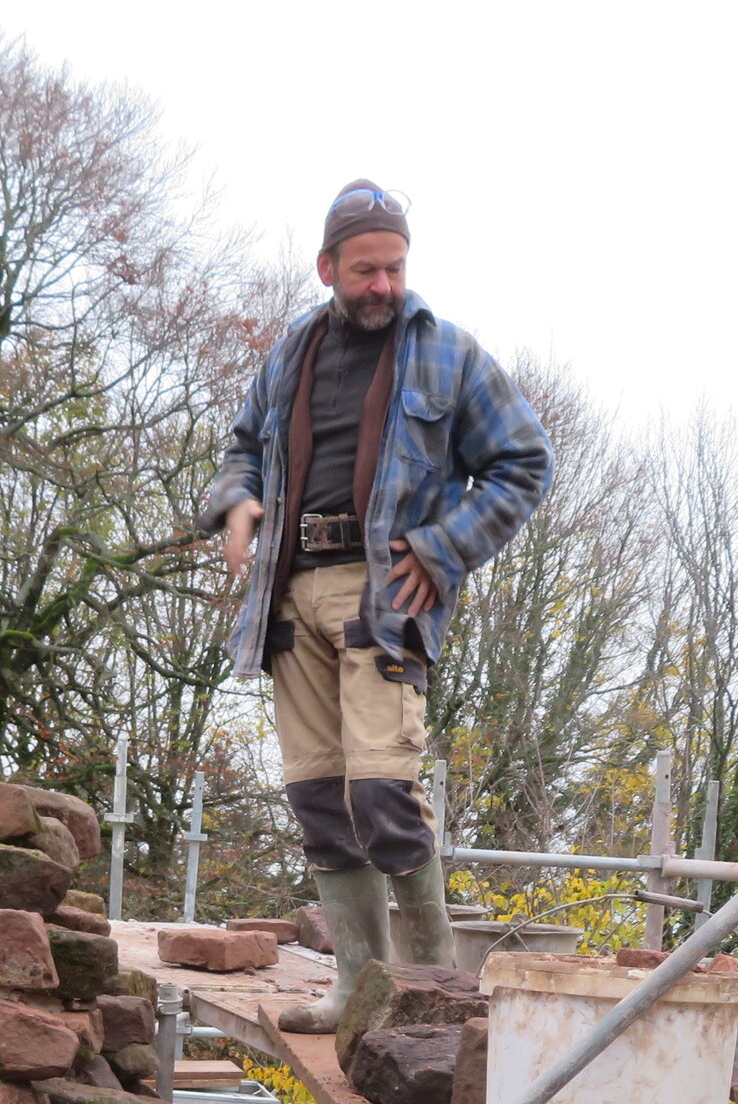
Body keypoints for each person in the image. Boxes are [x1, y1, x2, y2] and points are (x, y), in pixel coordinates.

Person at [203, 180, 552, 1028]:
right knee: (321, 800)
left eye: (395, 267)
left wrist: (442, 547)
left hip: (382, 593)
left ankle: (434, 999)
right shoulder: (289, 354)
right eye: (366, 270)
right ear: (327, 268)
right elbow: (243, 447)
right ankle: (355, 993)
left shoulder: (449, 354)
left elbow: (525, 461)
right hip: (289, 597)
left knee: (383, 794)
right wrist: (236, 500)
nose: (384, 285)